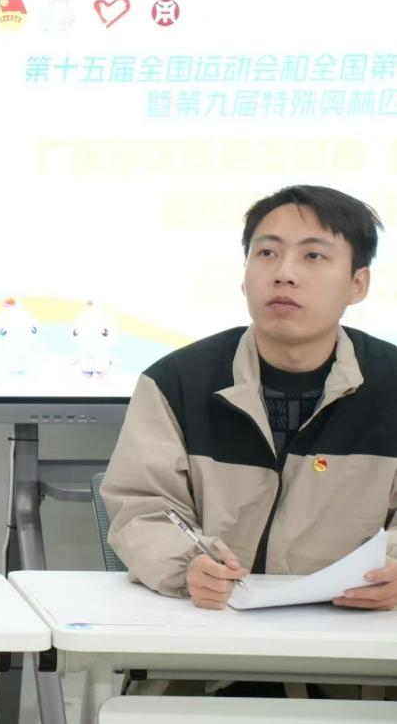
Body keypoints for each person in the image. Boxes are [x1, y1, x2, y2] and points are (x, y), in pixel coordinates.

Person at [101, 185, 397, 697]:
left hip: (355, 669)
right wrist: (186, 566)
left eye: (313, 256)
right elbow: (141, 508)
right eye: (266, 253)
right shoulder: (176, 382)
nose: (284, 273)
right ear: (244, 276)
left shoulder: (391, 385)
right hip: (200, 660)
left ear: (358, 283)